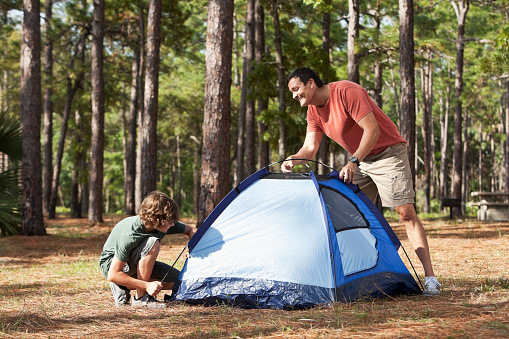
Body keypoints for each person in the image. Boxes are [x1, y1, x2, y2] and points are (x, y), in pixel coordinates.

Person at [282, 67, 441, 295]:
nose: (294, 95)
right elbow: (309, 148)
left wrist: (354, 160)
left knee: (405, 212)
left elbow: (372, 130)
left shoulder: (347, 91)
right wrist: (292, 159)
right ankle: (366, 275)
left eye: (296, 89)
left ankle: (431, 278)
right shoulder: (313, 112)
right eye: (292, 92)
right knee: (344, 210)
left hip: (388, 153)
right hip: (361, 160)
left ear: (310, 83)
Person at [99, 191, 197, 308]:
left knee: (179, 281)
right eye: (170, 222)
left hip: (136, 264)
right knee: (152, 242)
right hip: (113, 266)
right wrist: (146, 285)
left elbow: (192, 230)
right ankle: (141, 298)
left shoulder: (164, 223)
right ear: (155, 219)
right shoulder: (130, 234)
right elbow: (113, 274)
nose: (172, 225)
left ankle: (123, 285)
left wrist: (192, 249)